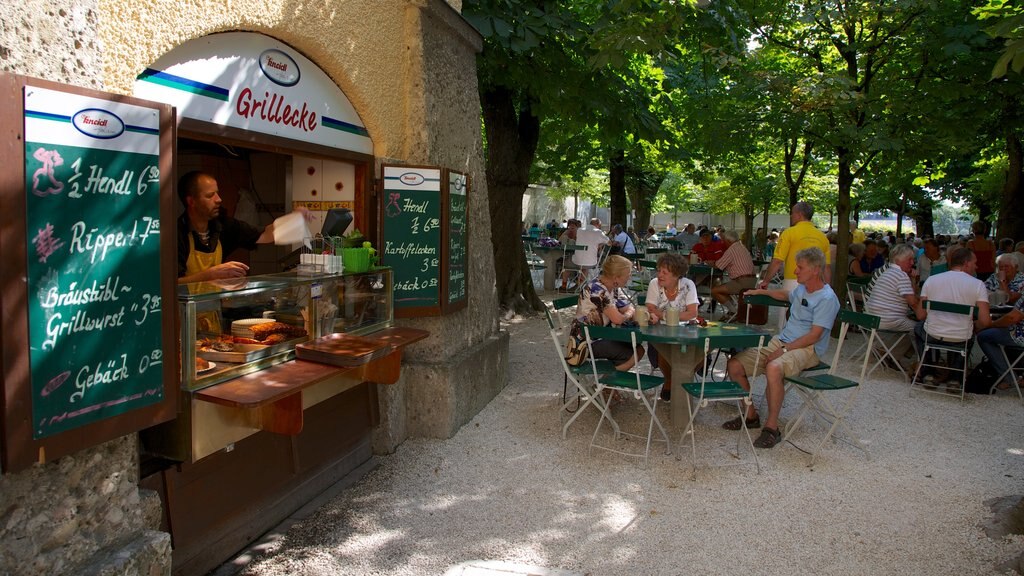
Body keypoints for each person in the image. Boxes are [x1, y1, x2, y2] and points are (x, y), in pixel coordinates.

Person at [724, 247, 840, 449]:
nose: (795, 271)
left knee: (774, 367)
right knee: (735, 365)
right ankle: (751, 415)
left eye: (800, 267)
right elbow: (787, 295)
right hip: (783, 340)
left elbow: (814, 336)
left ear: (815, 270)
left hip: (808, 349)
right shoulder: (803, 289)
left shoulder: (827, 298)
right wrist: (762, 291)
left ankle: (772, 428)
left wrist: (784, 350)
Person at [177, 170, 283, 284]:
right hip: (183, 302)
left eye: (217, 193)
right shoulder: (176, 235)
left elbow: (266, 235)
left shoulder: (224, 226)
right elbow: (170, 285)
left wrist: (297, 219)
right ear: (191, 201)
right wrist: (211, 275)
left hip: (216, 301)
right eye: (209, 195)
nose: (218, 199)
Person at [914, 247, 991, 385]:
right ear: (966, 263)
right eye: (975, 262)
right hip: (961, 336)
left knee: (919, 327)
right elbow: (985, 321)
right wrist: (973, 326)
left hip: (933, 334)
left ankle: (928, 372)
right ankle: (955, 378)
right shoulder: (978, 285)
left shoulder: (932, 280)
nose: (976, 266)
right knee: (967, 333)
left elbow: (920, 315)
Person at [757, 202, 831, 328]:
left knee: (786, 321)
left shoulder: (789, 233)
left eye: (792, 213)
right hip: (816, 284)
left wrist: (766, 280)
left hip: (793, 280)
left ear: (799, 214)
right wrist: (827, 288)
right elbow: (827, 267)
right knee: (809, 322)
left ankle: (785, 345)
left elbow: (777, 260)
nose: (791, 216)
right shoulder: (822, 237)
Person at [644, 252, 699, 401]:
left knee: (698, 350)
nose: (659, 275)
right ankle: (669, 380)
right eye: (659, 270)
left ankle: (682, 379)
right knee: (663, 349)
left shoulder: (688, 285)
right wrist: (675, 314)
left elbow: (692, 313)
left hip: (686, 330)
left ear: (676, 275)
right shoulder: (654, 283)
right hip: (660, 330)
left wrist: (662, 314)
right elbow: (650, 309)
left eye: (664, 272)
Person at [576, 255, 643, 371]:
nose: (630, 277)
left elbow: (628, 308)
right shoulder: (597, 289)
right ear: (616, 277)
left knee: (638, 348)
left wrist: (627, 313)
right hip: (586, 342)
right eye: (628, 274)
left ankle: (607, 386)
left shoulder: (614, 287)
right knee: (633, 351)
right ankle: (605, 385)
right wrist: (627, 314)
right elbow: (618, 319)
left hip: (604, 335)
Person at [864, 244, 922, 370]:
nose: (912, 263)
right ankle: (921, 365)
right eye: (909, 260)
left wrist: (912, 279)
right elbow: (913, 302)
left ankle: (889, 355)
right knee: (919, 329)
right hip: (887, 320)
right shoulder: (901, 276)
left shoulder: (887, 272)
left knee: (909, 327)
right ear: (898, 261)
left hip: (872, 318)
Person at [976, 289, 1024, 391]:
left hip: (1020, 335)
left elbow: (1012, 318)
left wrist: (991, 325)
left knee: (983, 336)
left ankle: (1010, 378)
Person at [710, 229, 757, 317]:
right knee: (722, 288)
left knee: (714, 291)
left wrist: (710, 262)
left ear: (728, 240)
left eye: (723, 240)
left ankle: (734, 311)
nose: (723, 242)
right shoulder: (742, 247)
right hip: (752, 281)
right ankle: (734, 309)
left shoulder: (732, 250)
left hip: (742, 282)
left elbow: (719, 266)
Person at [557, 219, 581, 291]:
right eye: (570, 226)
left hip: (579, 258)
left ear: (577, 227)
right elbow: (559, 241)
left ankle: (565, 286)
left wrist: (573, 237)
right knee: (566, 262)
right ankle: (564, 286)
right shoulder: (567, 233)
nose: (571, 228)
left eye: (573, 226)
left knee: (566, 265)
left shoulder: (580, 234)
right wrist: (565, 234)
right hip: (570, 256)